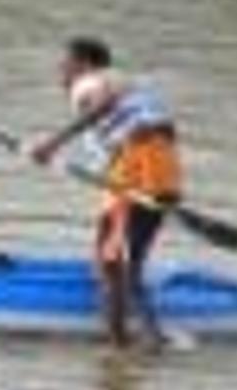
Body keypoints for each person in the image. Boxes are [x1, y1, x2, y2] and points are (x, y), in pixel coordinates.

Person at [23, 36, 186, 346]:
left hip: (140, 164)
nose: (60, 72)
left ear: (83, 64)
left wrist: (51, 144)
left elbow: (106, 102)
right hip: (157, 167)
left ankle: (131, 344)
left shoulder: (90, 82)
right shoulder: (127, 84)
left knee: (115, 266)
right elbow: (128, 132)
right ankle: (131, 347)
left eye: (64, 65)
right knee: (112, 262)